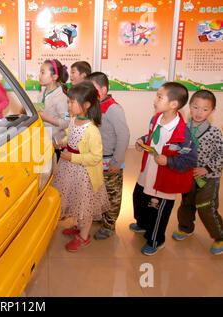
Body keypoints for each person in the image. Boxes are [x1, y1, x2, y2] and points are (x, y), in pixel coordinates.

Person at [131, 82, 197, 256]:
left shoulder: (183, 132)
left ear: (174, 104)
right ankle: (143, 223)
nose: (155, 100)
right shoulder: (156, 118)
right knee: (139, 197)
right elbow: (152, 136)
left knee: (158, 210)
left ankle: (156, 239)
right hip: (149, 171)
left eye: (160, 97)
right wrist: (142, 141)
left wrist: (168, 160)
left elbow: (189, 160)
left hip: (165, 177)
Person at [52, 81, 110, 252]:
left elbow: (95, 157)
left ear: (86, 105)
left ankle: (83, 237)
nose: (68, 105)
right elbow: (69, 136)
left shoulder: (92, 130)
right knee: (76, 199)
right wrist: (61, 143)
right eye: (68, 101)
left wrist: (73, 157)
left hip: (85, 174)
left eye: (71, 102)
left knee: (85, 205)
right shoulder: (74, 119)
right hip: (70, 169)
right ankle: (78, 226)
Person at [172, 90, 223, 256]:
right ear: (189, 107)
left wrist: (206, 169)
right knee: (187, 203)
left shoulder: (214, 132)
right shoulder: (183, 128)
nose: (199, 112)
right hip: (189, 175)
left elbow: (221, 155)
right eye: (195, 107)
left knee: (206, 207)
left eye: (205, 109)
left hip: (209, 177)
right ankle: (186, 228)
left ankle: (220, 237)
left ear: (212, 111)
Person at [87, 72, 130, 240]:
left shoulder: (113, 108)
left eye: (93, 89)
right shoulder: (94, 105)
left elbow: (124, 136)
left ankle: (109, 224)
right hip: (96, 159)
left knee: (112, 194)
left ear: (103, 89)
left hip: (110, 159)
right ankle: (100, 217)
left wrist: (117, 161)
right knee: (98, 190)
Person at [37, 59, 69, 160]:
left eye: (43, 72)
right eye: (40, 72)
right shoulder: (42, 93)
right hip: (43, 140)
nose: (39, 75)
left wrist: (47, 118)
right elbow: (41, 111)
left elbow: (67, 121)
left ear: (54, 77)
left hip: (56, 144)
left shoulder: (61, 98)